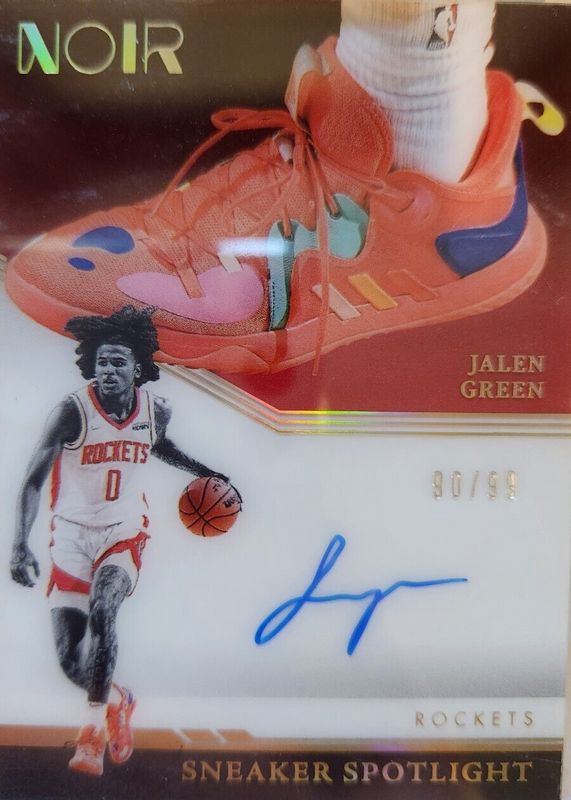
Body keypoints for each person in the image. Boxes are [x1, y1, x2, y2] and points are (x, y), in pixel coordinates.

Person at [9, 305, 233, 776]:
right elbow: (31, 481)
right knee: (71, 663)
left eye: (118, 362)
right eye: (103, 362)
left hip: (124, 530)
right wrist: (19, 545)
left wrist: (205, 472)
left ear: (137, 367)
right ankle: (117, 699)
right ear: (92, 365)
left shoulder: (156, 410)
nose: (109, 370)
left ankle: (91, 735)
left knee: (104, 606)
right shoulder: (70, 412)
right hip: (70, 538)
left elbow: (159, 445)